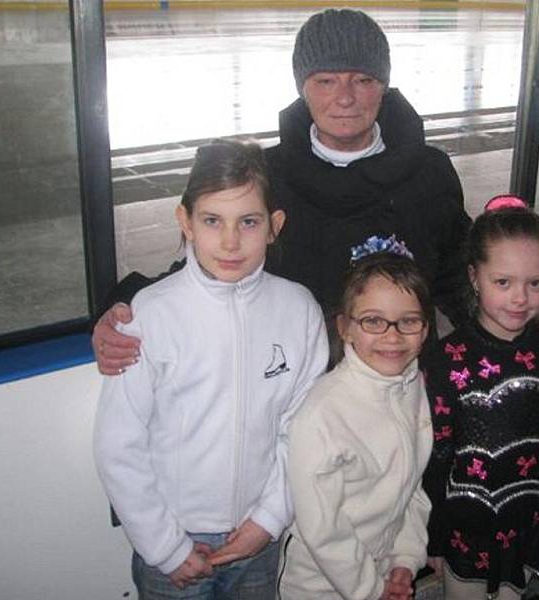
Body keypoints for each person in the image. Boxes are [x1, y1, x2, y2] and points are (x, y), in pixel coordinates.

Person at [91, 8, 471, 375]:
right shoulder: (265, 176)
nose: (345, 97)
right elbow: (205, 267)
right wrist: (124, 306)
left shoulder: (429, 172)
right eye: (326, 80)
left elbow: (459, 276)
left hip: (401, 388)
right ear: (302, 87)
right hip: (292, 393)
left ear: (383, 87)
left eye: (363, 80)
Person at [93, 140, 328, 599]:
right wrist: (165, 547)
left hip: (259, 538)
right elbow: (118, 444)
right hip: (173, 539)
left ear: (274, 226)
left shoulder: (298, 309)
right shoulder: (152, 314)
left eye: (249, 222)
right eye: (212, 221)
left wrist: (268, 519)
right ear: (185, 222)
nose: (230, 242)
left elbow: (301, 431)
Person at [422, 196, 539, 600]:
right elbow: (437, 453)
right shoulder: (446, 357)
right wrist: (433, 534)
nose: (520, 298)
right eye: (502, 282)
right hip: (465, 523)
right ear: (474, 276)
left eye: (535, 283)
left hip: (530, 514)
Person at [278, 241, 433, 600]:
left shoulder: (411, 385)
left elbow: (412, 484)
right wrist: (370, 589)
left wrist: (405, 559)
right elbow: (322, 527)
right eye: (373, 321)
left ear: (425, 329)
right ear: (345, 327)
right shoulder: (324, 413)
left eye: (408, 321)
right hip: (319, 586)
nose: (392, 336)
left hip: (381, 571)